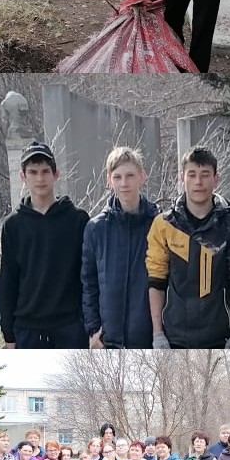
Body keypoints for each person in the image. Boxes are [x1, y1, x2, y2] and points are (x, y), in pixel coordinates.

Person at [146, 147, 230, 348]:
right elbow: (156, 282)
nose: (198, 182)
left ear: (216, 178)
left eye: (205, 175)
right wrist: (158, 334)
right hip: (174, 337)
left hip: (220, 338)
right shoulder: (164, 224)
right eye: (192, 175)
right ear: (182, 178)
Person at [0, 141, 88, 348]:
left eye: (45, 171)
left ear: (56, 174)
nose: (40, 178)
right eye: (33, 172)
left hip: (70, 326)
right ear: (23, 176)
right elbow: (7, 282)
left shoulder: (77, 220)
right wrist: (9, 334)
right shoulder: (13, 225)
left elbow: (87, 277)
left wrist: (88, 323)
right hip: (27, 328)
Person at [82, 146, 159, 349]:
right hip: (108, 339)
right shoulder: (95, 228)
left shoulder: (159, 224)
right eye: (117, 177)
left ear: (142, 177)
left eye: (130, 176)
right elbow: (88, 283)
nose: (124, 183)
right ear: (109, 180)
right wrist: (93, 330)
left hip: (148, 338)